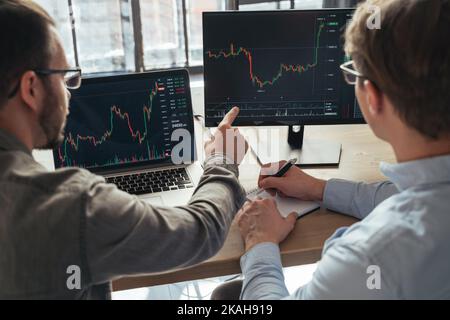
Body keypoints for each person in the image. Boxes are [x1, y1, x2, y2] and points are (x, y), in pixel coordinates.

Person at [0, 0, 248, 299]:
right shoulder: (71, 204)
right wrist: (222, 159)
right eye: (64, 78)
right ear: (31, 88)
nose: (67, 93)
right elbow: (200, 233)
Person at [234, 0, 450, 299]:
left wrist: (259, 244)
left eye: (353, 73)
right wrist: (319, 189)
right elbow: (408, 195)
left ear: (371, 96)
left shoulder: (371, 256)